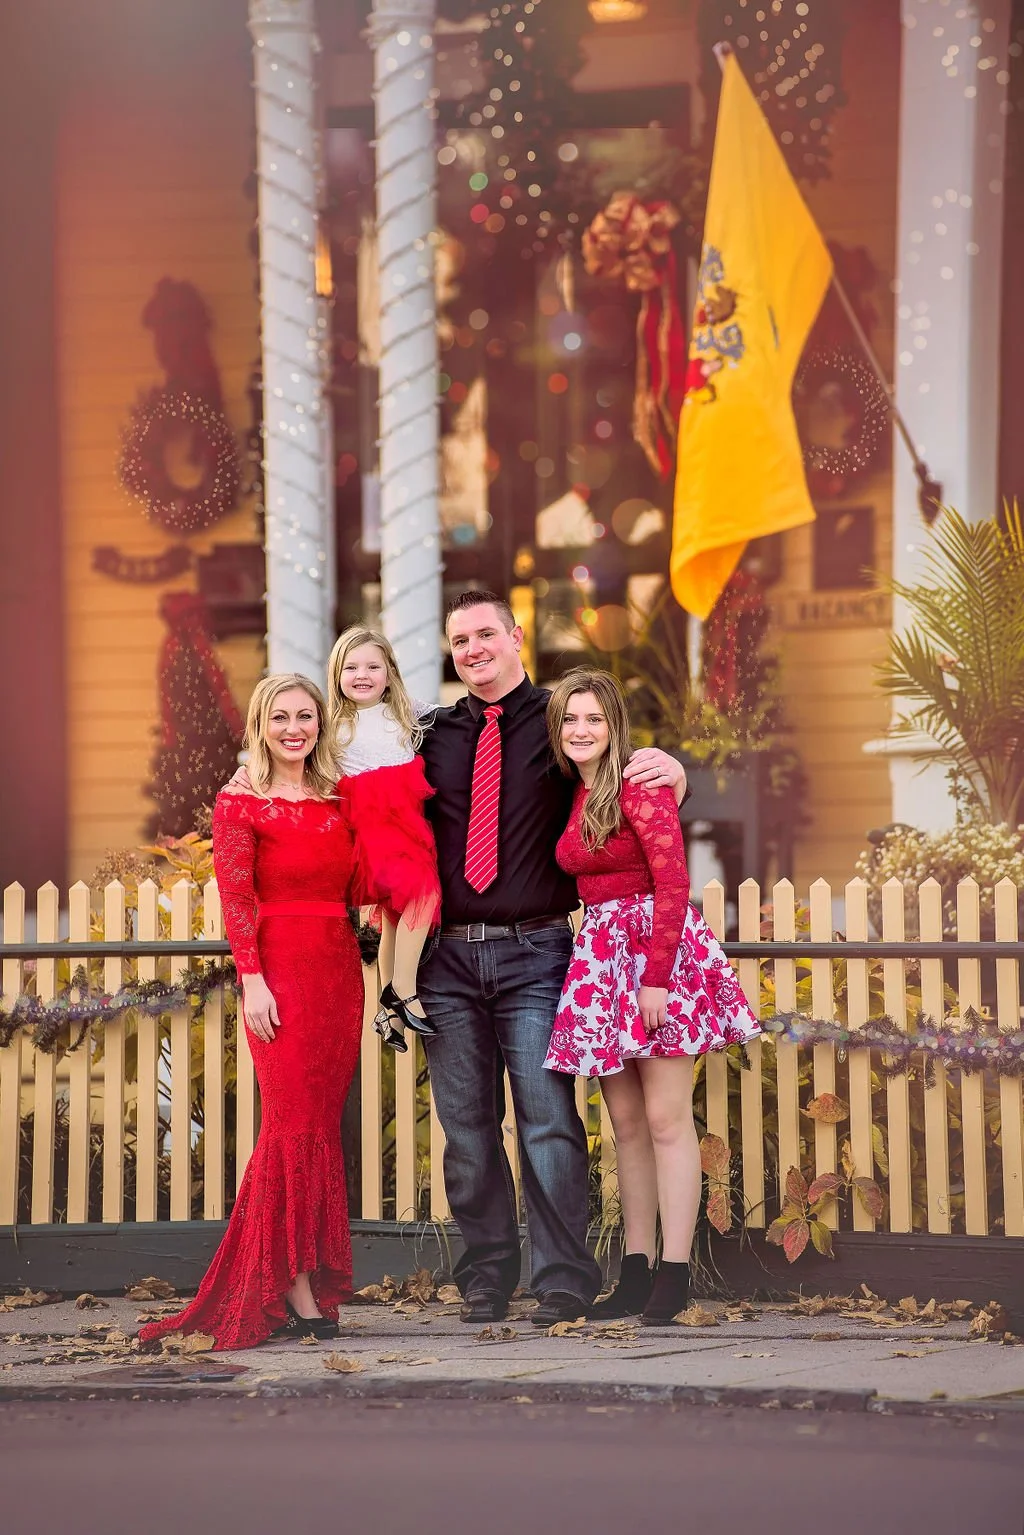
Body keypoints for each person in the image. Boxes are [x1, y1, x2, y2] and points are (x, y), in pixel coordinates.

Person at [416, 591, 689, 1327]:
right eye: (460, 640)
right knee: (467, 1132)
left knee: (548, 1120)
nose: (473, 649)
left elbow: (621, 785)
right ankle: (487, 1275)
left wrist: (675, 773)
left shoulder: (559, 721)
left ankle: (563, 1279)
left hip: (535, 950)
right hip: (446, 958)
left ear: (516, 635)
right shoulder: (431, 736)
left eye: (485, 634)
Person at [139, 674, 364, 1352]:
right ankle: (292, 1285)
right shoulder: (240, 800)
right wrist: (254, 980)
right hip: (280, 974)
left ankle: (302, 1276)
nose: (294, 728)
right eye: (280, 717)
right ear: (261, 726)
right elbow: (236, 899)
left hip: (338, 972)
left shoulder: (340, 797)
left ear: (320, 724)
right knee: (289, 1126)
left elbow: (361, 883)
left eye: (305, 716)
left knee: (318, 1129)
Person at [543, 668, 761, 1324]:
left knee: (666, 1119)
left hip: (652, 958)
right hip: (600, 960)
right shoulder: (573, 792)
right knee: (628, 1126)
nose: (581, 730)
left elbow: (673, 884)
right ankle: (634, 1272)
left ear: (614, 726)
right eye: (570, 719)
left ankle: (675, 1272)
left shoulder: (641, 785)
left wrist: (656, 979)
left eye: (594, 718)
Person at [327, 625, 441, 1051]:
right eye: (351, 667)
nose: (362, 675)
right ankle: (403, 990)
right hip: (371, 830)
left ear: (390, 672)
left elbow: (457, 714)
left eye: (373, 666)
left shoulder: (408, 713)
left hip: (407, 827)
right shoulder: (333, 726)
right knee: (424, 896)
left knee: (396, 913)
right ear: (337, 675)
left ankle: (388, 1012)